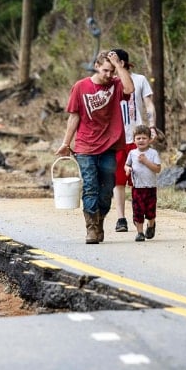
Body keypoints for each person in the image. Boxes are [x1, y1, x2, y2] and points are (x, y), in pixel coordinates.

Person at [56, 50, 134, 244]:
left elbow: (130, 89)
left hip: (110, 145)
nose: (109, 75)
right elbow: (74, 116)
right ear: (97, 66)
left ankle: (99, 221)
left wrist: (119, 66)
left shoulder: (116, 85)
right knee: (91, 187)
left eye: (112, 71)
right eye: (105, 70)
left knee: (107, 189)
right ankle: (91, 228)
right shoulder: (81, 87)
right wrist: (66, 143)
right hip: (85, 146)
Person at [109, 48, 158, 234]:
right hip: (117, 139)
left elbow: (149, 104)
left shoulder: (139, 80)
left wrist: (151, 125)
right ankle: (121, 218)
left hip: (137, 137)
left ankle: (145, 217)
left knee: (140, 181)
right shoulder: (110, 82)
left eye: (114, 62)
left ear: (121, 63)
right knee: (119, 180)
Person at [125, 125, 162, 241]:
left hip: (150, 187)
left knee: (150, 211)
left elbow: (157, 169)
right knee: (138, 210)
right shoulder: (132, 153)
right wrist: (127, 169)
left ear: (149, 139)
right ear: (134, 140)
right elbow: (127, 165)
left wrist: (146, 161)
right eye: (138, 138)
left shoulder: (153, 153)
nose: (141, 140)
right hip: (137, 187)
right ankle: (140, 233)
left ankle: (151, 225)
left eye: (144, 138)